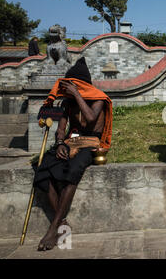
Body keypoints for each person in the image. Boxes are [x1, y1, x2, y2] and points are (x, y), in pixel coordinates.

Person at [33, 57, 113, 251]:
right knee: (43, 170)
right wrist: (60, 143)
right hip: (70, 142)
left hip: (90, 143)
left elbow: (91, 118)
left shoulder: (98, 99)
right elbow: (61, 129)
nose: (69, 89)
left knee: (72, 172)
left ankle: (53, 228)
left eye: (74, 86)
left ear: (81, 86)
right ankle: (63, 222)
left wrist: (77, 94)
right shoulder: (67, 103)